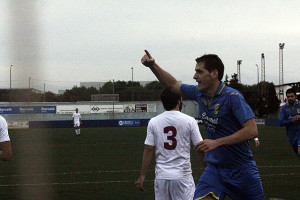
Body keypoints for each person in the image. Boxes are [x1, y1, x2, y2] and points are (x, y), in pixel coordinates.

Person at [141, 50, 264, 200]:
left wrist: (217, 143)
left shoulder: (233, 97)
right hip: (215, 170)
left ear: (214, 74)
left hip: (241, 170)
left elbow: (252, 131)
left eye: (199, 72)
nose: (195, 76)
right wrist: (153, 66)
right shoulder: (199, 93)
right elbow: (172, 84)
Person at [135, 88, 206, 200]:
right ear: (179, 101)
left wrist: (142, 176)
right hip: (182, 177)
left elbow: (148, 149)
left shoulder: (153, 121)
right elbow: (200, 148)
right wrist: (208, 170)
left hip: (162, 177)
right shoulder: (189, 120)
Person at [279, 88, 300, 157]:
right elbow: (281, 123)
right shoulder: (284, 108)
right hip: (291, 136)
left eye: (292, 96)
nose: (290, 98)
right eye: (288, 97)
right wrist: (292, 120)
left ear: (295, 97)